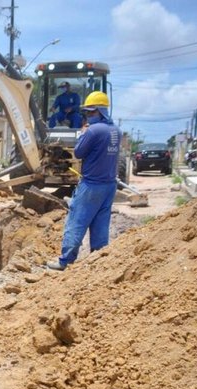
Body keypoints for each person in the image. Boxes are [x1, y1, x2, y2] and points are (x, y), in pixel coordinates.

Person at [47, 91, 121, 271]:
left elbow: (79, 153)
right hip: (109, 185)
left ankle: (65, 261)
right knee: (101, 223)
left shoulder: (93, 130)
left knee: (76, 221)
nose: (88, 115)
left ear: (99, 111)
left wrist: (83, 133)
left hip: (91, 185)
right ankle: (98, 260)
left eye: (91, 112)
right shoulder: (117, 131)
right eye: (87, 112)